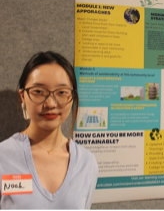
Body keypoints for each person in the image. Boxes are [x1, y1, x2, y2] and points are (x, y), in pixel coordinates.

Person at [0, 51, 99, 209]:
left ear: (72, 97)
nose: (51, 103)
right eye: (39, 92)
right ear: (23, 96)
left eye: (62, 92)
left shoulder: (87, 162)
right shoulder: (3, 157)